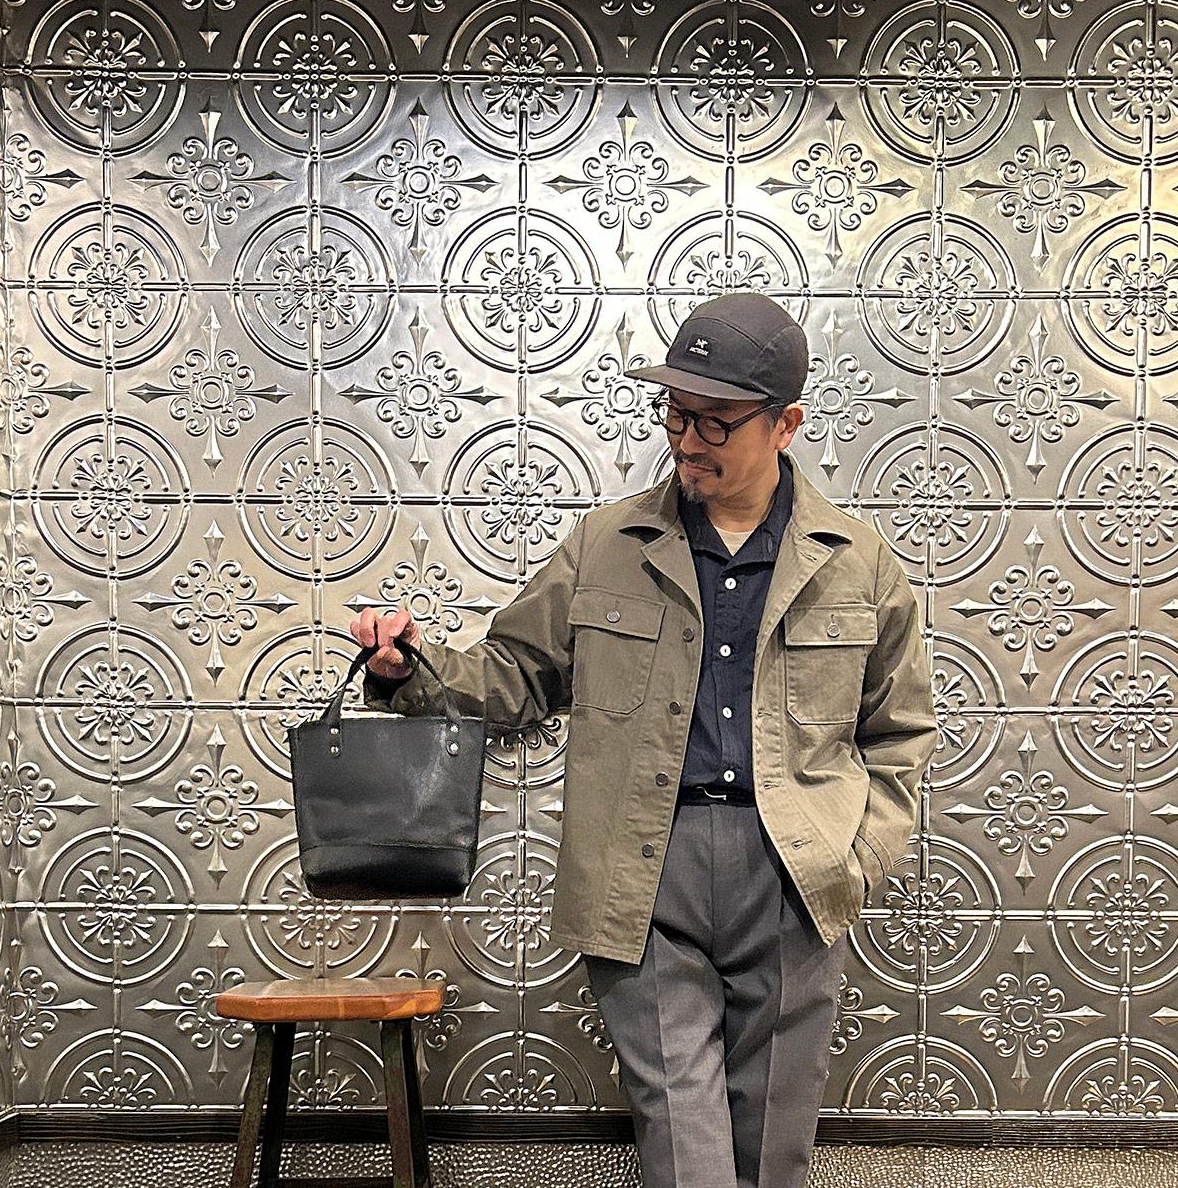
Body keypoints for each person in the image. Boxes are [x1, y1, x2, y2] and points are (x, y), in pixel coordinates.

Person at [351, 290, 939, 1188]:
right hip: (643, 862)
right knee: (680, 1131)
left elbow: (900, 730)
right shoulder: (607, 543)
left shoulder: (857, 560)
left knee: (775, 1138)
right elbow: (517, 677)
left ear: (785, 425)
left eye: (716, 421)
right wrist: (408, 671)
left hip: (796, 868)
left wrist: (857, 858)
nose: (687, 439)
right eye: (675, 413)